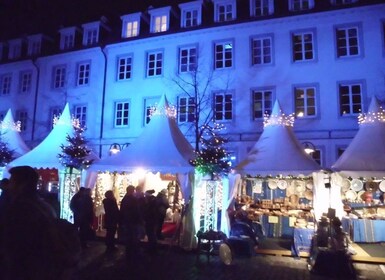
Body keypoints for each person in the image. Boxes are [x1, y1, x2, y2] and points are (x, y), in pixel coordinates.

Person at [0, 166, 72, 280]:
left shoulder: (21, 208)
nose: (9, 186)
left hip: (25, 268)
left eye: (12, 181)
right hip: (42, 267)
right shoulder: (43, 205)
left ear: (22, 185)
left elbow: (16, 243)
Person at [120, 185, 142, 261]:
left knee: (129, 236)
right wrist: (139, 219)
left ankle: (128, 251)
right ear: (132, 191)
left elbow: (122, 210)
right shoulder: (133, 199)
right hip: (133, 220)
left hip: (127, 220)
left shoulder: (124, 199)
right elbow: (136, 211)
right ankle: (133, 252)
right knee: (133, 236)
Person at [143, 189, 158, 254]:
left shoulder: (150, 202)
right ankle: (152, 247)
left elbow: (149, 212)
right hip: (152, 220)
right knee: (151, 234)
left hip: (150, 221)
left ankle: (152, 248)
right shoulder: (153, 201)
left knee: (151, 234)